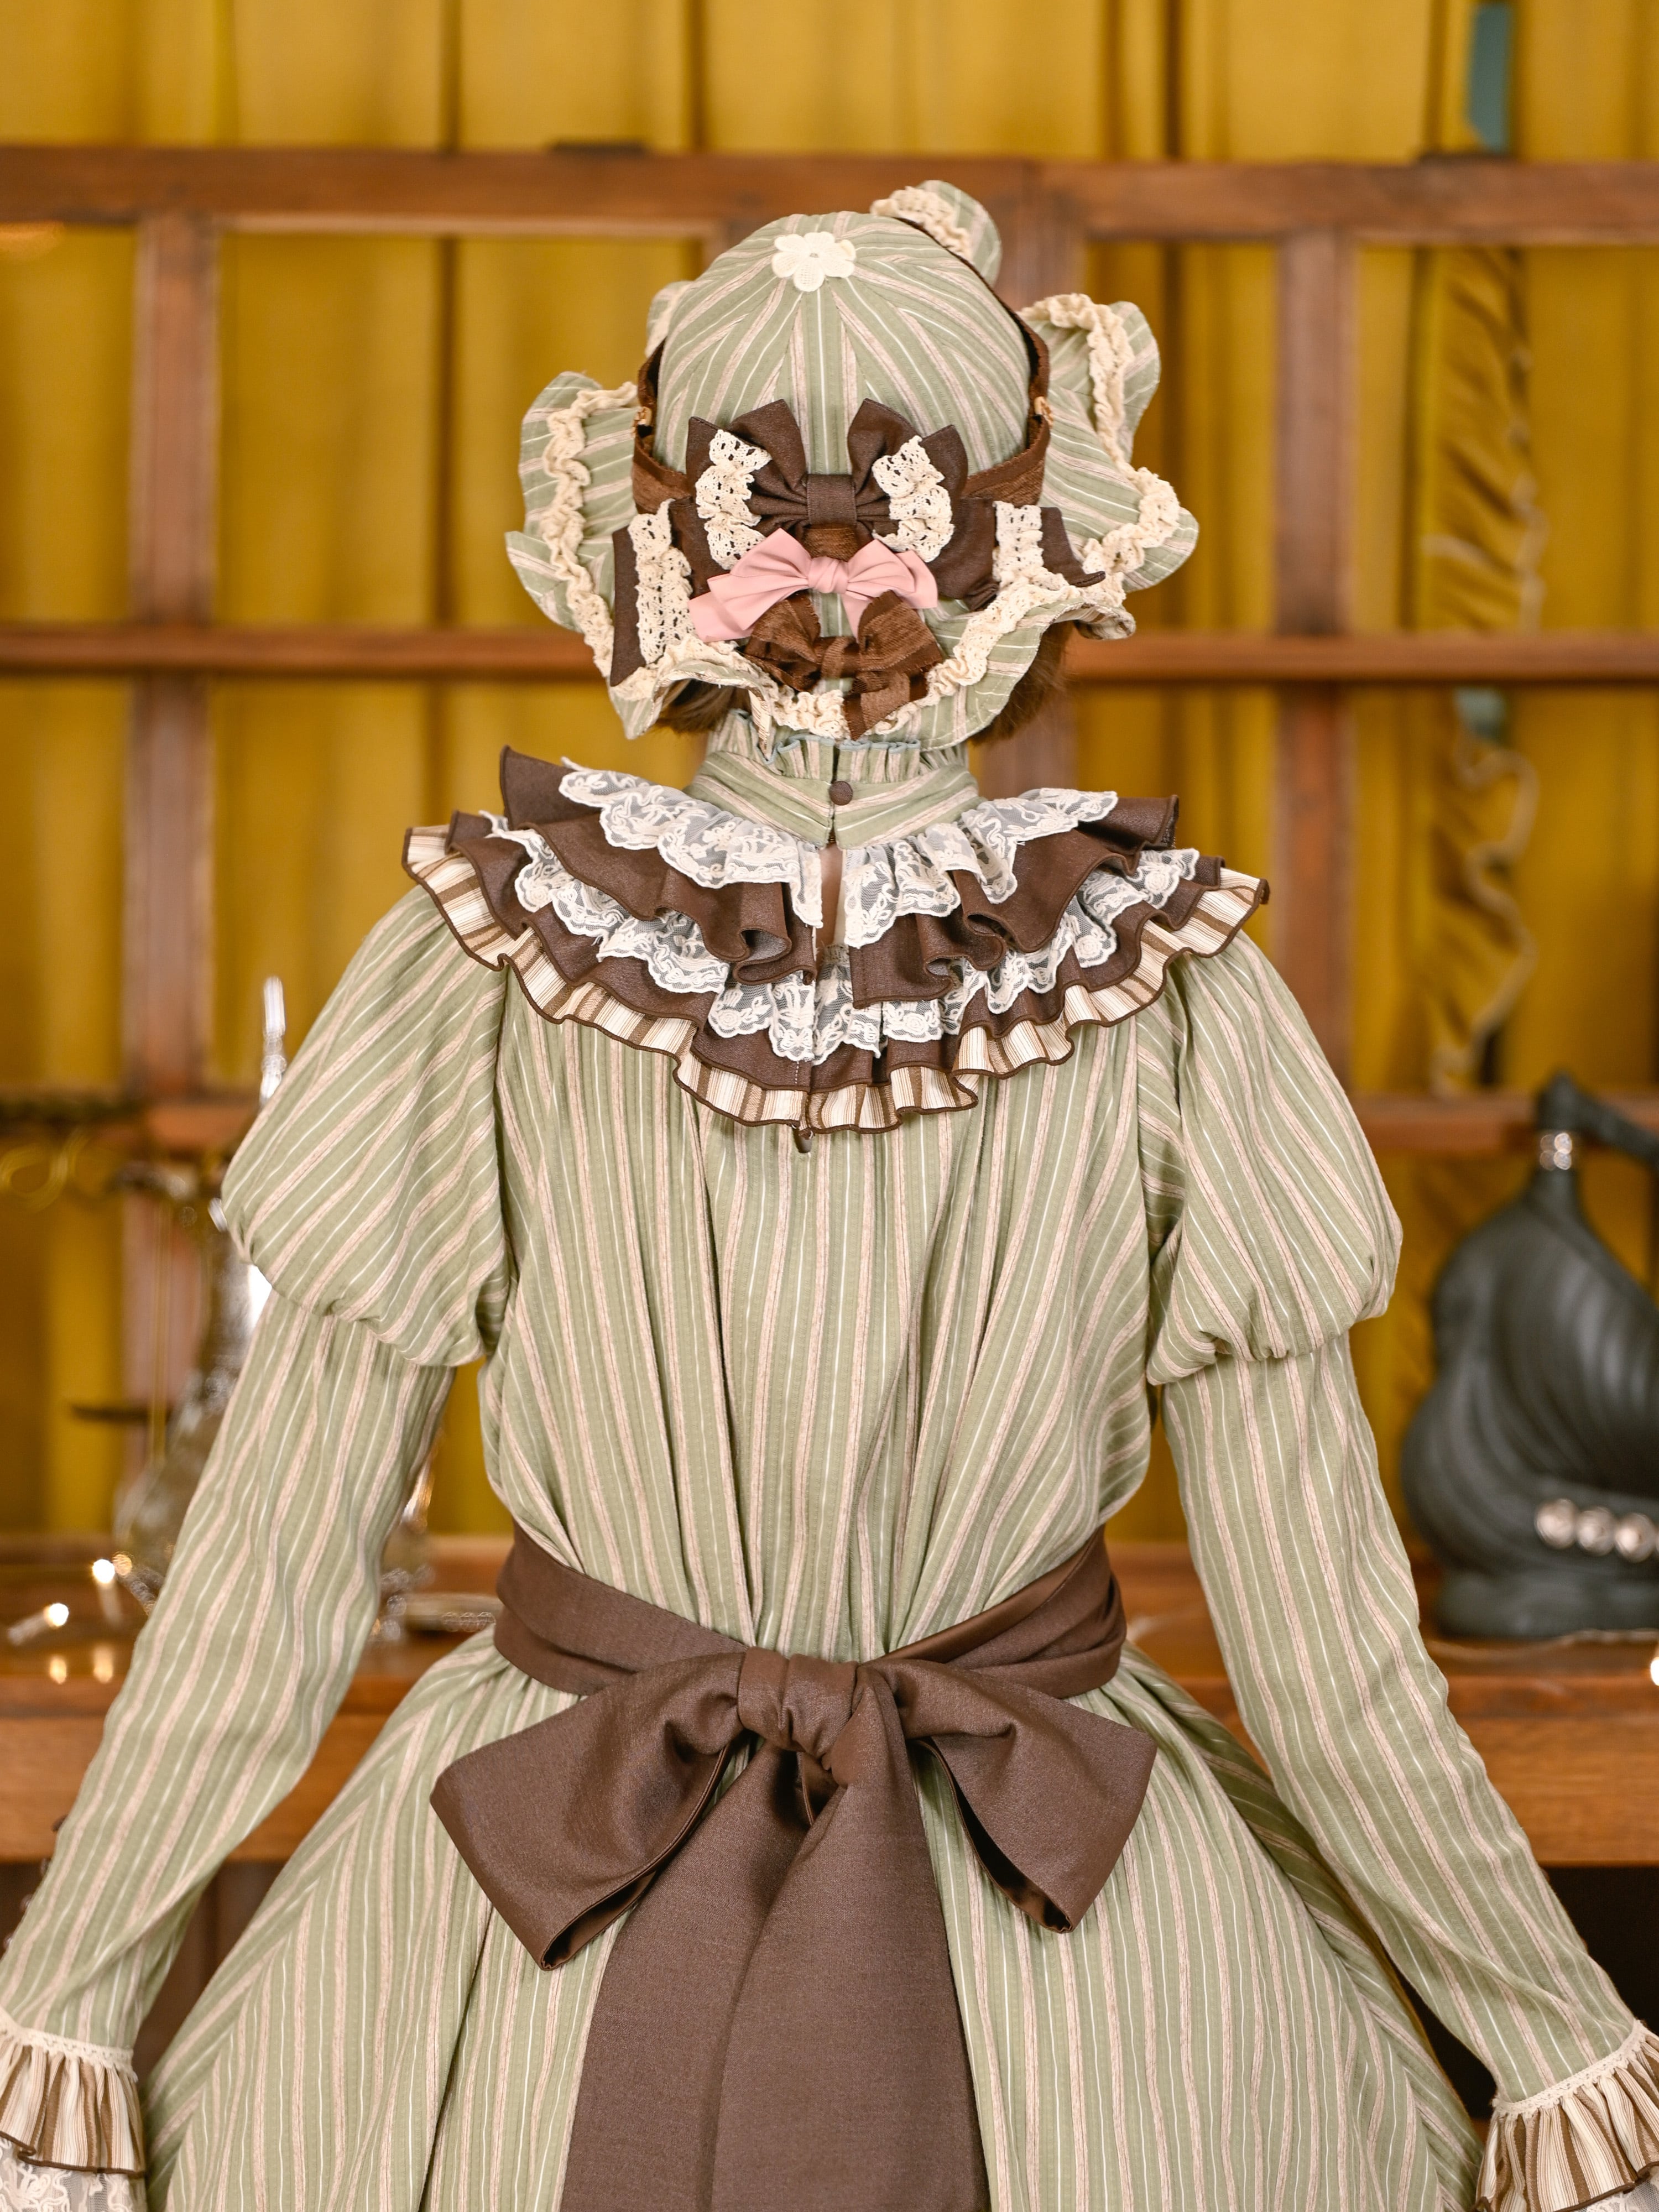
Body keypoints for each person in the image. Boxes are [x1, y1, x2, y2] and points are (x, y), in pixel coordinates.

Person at [2, 180, 1655, 2212]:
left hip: (534, 1921)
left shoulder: (487, 960)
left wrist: (65, 2014)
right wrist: (1562, 2053)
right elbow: (1323, 1658)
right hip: (1074, 1928)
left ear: (651, 551)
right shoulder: (1171, 984)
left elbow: (272, 1577)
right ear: (1036, 543)